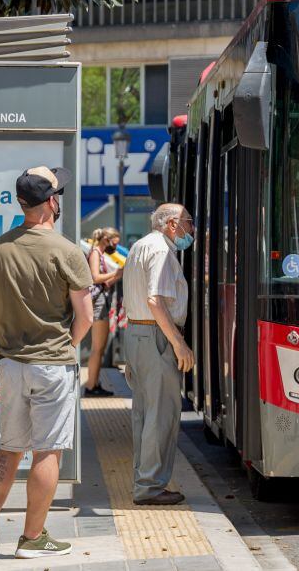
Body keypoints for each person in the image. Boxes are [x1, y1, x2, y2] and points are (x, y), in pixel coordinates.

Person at [0, 166, 93, 559]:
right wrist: (66, 345)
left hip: (11, 364)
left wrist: (3, 345)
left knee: (8, 448)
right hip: (52, 364)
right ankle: (32, 537)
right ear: (52, 202)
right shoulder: (67, 251)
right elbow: (86, 316)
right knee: (48, 451)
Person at [122, 203, 195, 506]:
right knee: (161, 415)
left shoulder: (140, 245)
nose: (192, 229)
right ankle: (150, 487)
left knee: (144, 413)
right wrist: (178, 342)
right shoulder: (162, 251)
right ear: (172, 224)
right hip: (156, 336)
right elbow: (155, 300)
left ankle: (145, 479)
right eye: (189, 222)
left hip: (138, 334)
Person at [83, 227, 123, 397]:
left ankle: (94, 382)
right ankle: (91, 386)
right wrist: (115, 272)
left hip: (101, 300)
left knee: (99, 347)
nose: (115, 247)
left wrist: (119, 275)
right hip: (98, 303)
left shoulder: (100, 254)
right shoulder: (95, 253)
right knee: (98, 348)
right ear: (106, 239)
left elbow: (104, 283)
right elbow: (94, 277)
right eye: (115, 243)